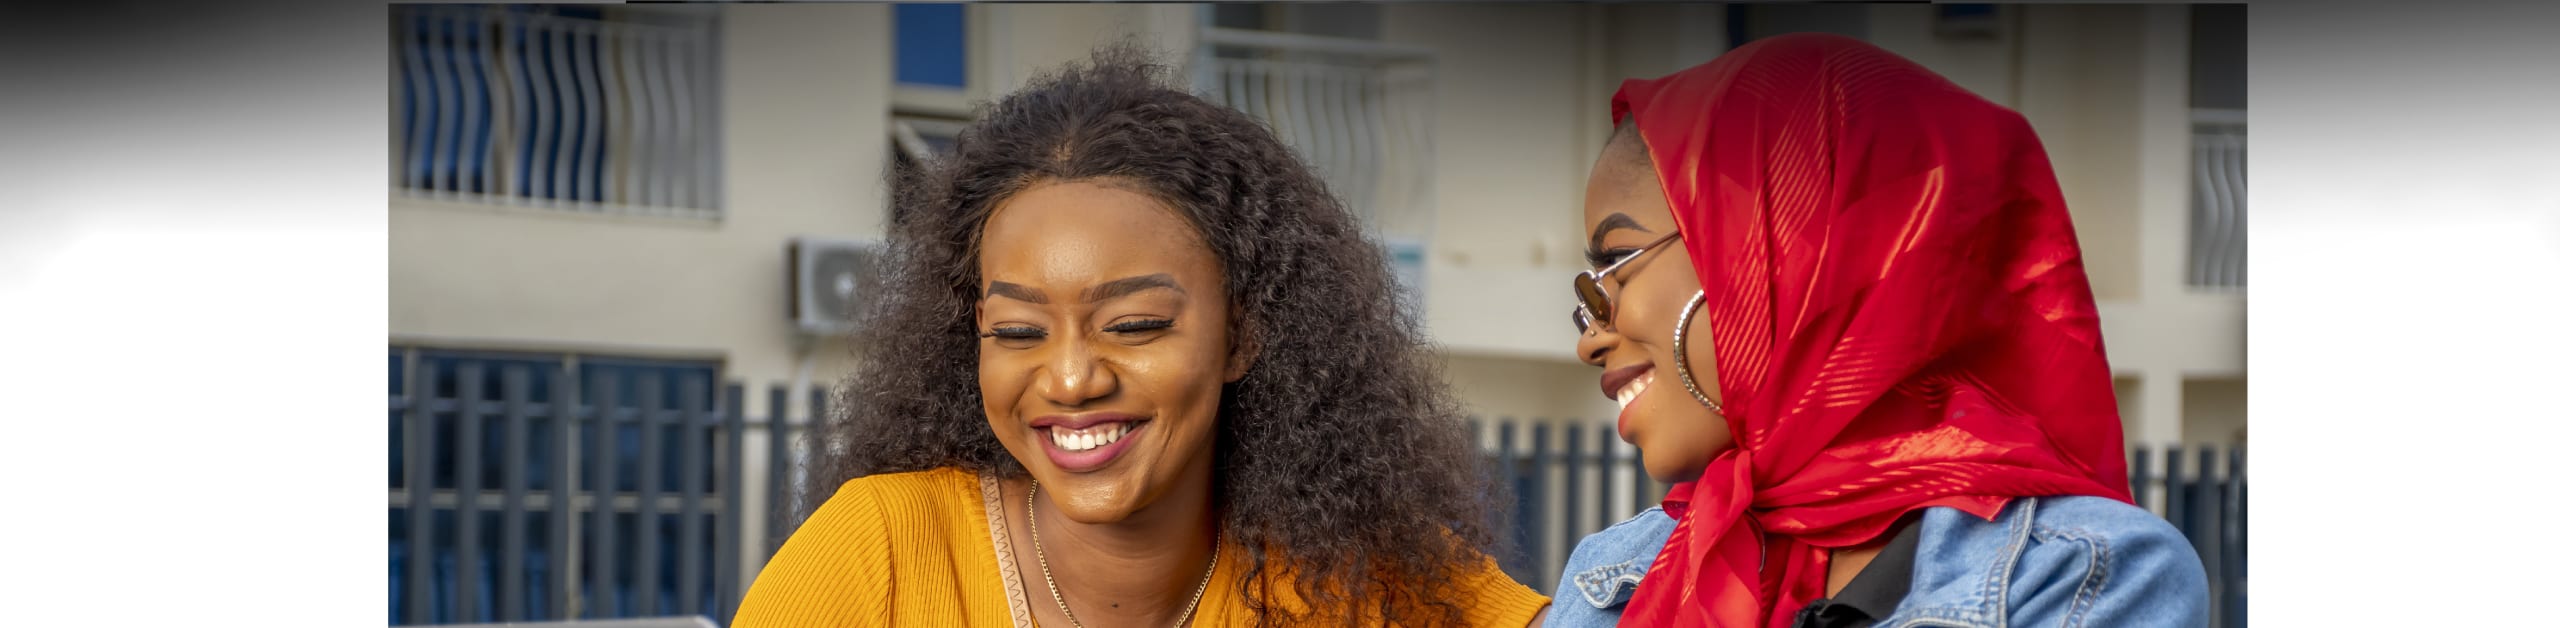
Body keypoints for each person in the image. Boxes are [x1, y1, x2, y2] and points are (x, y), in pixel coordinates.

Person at [731, 44, 1550, 627]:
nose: (1070, 379)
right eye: (1017, 330)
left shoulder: (1364, 583)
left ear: (1243, 336)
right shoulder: (878, 554)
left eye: (1134, 326)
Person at [1547, 33, 2207, 627]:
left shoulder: (2085, 572)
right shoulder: (1615, 572)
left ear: (1781, 255)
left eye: (1616, 266)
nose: (1590, 338)